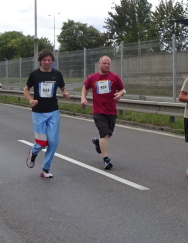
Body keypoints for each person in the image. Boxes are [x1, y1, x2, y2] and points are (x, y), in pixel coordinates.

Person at [23, 50, 71, 178]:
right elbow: (26, 90)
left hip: (53, 111)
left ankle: (46, 169)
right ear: (40, 61)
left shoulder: (57, 74)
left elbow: (63, 88)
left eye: (49, 60)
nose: (47, 62)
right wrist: (30, 100)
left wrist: (65, 93)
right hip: (38, 112)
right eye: (44, 60)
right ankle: (33, 152)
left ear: (52, 61)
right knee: (41, 142)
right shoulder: (35, 75)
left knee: (53, 141)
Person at [81, 56, 126, 170]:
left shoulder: (114, 77)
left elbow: (123, 89)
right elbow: (85, 87)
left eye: (108, 64)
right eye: (104, 63)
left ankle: (97, 142)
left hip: (111, 111)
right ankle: (106, 160)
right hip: (98, 111)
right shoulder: (92, 78)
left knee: (108, 135)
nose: (106, 65)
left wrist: (120, 94)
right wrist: (83, 98)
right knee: (104, 134)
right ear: (99, 64)